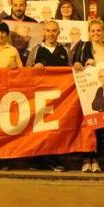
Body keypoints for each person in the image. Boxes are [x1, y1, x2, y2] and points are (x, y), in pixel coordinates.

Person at [71, 19, 104, 173]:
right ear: (89, 33)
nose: (96, 33)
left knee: (100, 127)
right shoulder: (84, 46)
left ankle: (96, 159)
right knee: (88, 127)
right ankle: (86, 159)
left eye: (99, 30)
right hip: (88, 91)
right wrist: (80, 63)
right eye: (93, 31)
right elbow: (76, 62)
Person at [26, 20, 70, 172]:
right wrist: (33, 67)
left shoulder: (64, 51)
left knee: (56, 130)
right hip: (39, 98)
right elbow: (25, 72)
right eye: (48, 31)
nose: (51, 34)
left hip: (60, 98)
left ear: (58, 32)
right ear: (43, 32)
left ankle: (54, 160)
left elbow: (70, 72)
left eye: (54, 31)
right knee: (38, 129)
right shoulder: (36, 50)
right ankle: (37, 160)